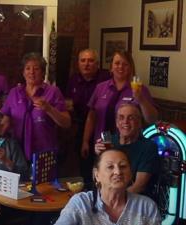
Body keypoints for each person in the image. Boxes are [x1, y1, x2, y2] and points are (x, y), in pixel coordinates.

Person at [82, 51, 158, 161]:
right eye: (117, 63)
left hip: (129, 147)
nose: (120, 67)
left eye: (125, 64)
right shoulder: (100, 88)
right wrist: (85, 141)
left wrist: (141, 99)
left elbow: (152, 119)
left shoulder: (139, 89)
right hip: (102, 145)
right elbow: (91, 116)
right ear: (111, 67)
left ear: (130, 67)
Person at [55, 149, 161, 225]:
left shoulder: (146, 207)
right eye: (110, 167)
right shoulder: (81, 203)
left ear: (130, 173)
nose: (118, 172)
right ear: (97, 175)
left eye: (123, 166)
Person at [0, 52, 71, 160]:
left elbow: (66, 123)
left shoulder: (53, 92)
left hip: (44, 152)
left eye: (36, 68)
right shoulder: (14, 92)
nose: (31, 72)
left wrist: (49, 109)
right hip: (17, 153)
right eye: (28, 68)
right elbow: (6, 122)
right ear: (23, 72)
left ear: (43, 72)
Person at [66, 49, 111, 186]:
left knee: (104, 164)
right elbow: (68, 103)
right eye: (83, 61)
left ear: (97, 64)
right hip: (81, 127)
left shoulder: (105, 79)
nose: (86, 64)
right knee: (85, 165)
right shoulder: (74, 80)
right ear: (78, 63)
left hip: (103, 127)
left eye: (91, 61)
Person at [95, 103, 159, 194]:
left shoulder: (148, 146)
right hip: (107, 196)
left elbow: (139, 186)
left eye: (131, 118)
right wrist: (100, 156)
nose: (125, 122)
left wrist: (114, 198)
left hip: (134, 200)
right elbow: (99, 178)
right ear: (117, 123)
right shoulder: (109, 141)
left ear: (139, 123)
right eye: (121, 117)